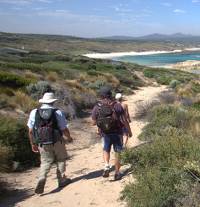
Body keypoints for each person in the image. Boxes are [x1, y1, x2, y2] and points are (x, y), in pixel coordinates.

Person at [27, 92, 73, 194]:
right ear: (53, 102)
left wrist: (33, 143)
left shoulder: (34, 112)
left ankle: (42, 178)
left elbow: (30, 131)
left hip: (42, 143)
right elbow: (64, 128)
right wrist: (69, 138)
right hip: (57, 141)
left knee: (45, 162)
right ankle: (61, 180)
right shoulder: (57, 112)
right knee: (61, 160)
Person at [92, 87, 132, 180]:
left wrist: (101, 123)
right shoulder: (117, 105)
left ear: (101, 96)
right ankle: (117, 173)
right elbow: (124, 120)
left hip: (105, 133)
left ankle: (106, 166)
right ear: (111, 95)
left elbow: (93, 122)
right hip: (117, 132)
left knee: (106, 149)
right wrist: (129, 131)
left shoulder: (97, 106)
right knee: (118, 152)